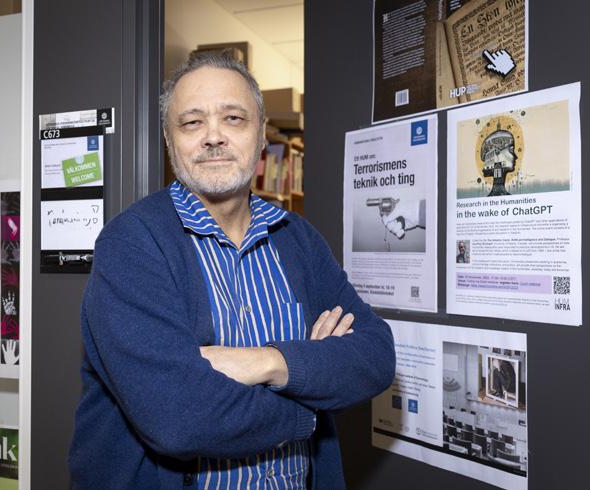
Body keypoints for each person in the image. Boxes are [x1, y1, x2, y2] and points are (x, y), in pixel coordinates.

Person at [68, 51, 395, 489]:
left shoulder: (299, 239)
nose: (213, 136)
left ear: (261, 135)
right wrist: (310, 402)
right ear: (169, 140)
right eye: (192, 122)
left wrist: (266, 362)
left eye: (234, 118)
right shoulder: (132, 244)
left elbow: (375, 356)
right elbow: (177, 417)